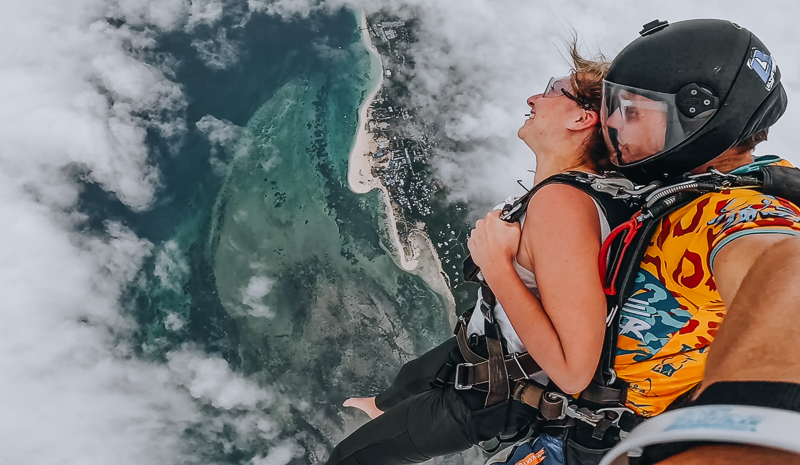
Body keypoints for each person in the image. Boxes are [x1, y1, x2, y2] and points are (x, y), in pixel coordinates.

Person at [326, 45, 628, 465]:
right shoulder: (564, 194)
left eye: (554, 90)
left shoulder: (565, 205)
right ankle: (384, 409)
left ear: (582, 117)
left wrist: (496, 264)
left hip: (496, 395)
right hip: (485, 349)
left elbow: (573, 371)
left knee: (351, 458)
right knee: (409, 379)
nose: (534, 99)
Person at [585, 18, 800, 464]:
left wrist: (750, 444)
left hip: (613, 431)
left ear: (699, 123)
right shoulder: (690, 183)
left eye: (632, 109)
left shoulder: (728, 211)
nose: (608, 120)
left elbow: (782, 259)